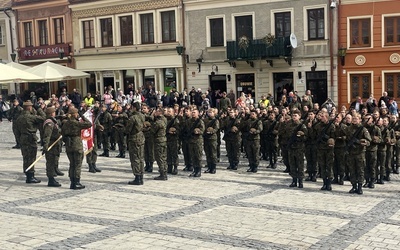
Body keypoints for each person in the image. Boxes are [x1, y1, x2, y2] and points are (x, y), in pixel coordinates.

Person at [62, 107, 92, 189]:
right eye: (76, 113)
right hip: (77, 145)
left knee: (72, 164)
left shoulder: (65, 123)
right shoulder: (76, 123)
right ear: (74, 114)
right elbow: (89, 124)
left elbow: (62, 134)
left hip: (69, 145)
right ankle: (76, 182)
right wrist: (82, 116)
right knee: (77, 165)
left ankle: (72, 182)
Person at [15, 100, 45, 184]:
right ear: (29, 107)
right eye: (31, 107)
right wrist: (39, 109)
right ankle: (30, 176)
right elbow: (43, 118)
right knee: (31, 157)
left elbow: (16, 131)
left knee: (25, 157)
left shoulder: (19, 118)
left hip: (22, 138)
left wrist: (19, 139)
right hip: (31, 138)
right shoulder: (31, 117)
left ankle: (27, 174)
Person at [345, 113, 372, 194]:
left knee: (360, 170)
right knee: (352, 170)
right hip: (351, 152)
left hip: (360, 153)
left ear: (360, 119)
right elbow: (346, 138)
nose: (354, 120)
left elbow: (369, 140)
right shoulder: (348, 128)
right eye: (353, 118)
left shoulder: (363, 129)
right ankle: (354, 186)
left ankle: (360, 186)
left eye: (356, 119)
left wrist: (363, 142)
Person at [314, 111, 335, 191]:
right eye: (321, 116)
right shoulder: (318, 126)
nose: (321, 117)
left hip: (328, 149)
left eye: (323, 116)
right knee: (322, 166)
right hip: (320, 148)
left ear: (327, 117)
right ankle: (324, 183)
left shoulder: (331, 126)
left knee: (329, 166)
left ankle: (329, 183)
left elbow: (333, 137)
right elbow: (314, 135)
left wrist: (327, 138)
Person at [42, 107, 63, 187]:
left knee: (54, 161)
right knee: (50, 162)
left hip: (55, 145)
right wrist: (45, 147)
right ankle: (51, 180)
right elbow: (47, 136)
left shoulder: (53, 121)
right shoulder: (49, 123)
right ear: (51, 113)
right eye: (54, 112)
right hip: (51, 145)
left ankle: (52, 178)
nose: (55, 113)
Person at [286, 109, 307, 188]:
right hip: (291, 148)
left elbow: (306, 137)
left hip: (299, 148)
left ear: (299, 116)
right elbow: (286, 134)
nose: (294, 117)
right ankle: (294, 180)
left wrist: (301, 135)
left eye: (295, 116)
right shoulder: (289, 124)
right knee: (292, 165)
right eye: (293, 116)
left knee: (300, 165)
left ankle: (300, 181)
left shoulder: (302, 126)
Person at [126, 102, 146, 185]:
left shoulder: (133, 118)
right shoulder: (142, 116)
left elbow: (128, 129)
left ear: (134, 108)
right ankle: (141, 176)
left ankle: (137, 177)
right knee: (141, 157)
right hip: (141, 137)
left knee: (135, 158)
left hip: (134, 138)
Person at [187, 108, 205, 177]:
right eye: (192, 112)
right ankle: (195, 170)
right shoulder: (189, 121)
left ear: (198, 113)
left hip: (197, 141)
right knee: (193, 156)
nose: (193, 113)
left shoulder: (200, 121)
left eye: (194, 112)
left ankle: (199, 170)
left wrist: (198, 131)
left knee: (198, 156)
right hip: (191, 140)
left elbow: (202, 130)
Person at [152, 107, 168, 180]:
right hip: (163, 140)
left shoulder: (158, 122)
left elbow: (152, 131)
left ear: (160, 113)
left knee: (159, 157)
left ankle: (162, 173)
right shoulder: (164, 119)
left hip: (158, 140)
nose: (155, 112)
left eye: (156, 111)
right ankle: (164, 171)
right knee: (163, 157)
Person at [203, 108, 220, 174]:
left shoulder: (216, 120)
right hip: (206, 138)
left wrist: (211, 131)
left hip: (212, 138)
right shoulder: (205, 120)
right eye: (209, 112)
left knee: (213, 154)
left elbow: (216, 128)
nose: (210, 113)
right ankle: (209, 167)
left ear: (214, 113)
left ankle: (213, 167)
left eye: (211, 112)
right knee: (207, 153)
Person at [165, 107, 180, 175]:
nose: (168, 113)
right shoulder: (165, 120)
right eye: (167, 111)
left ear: (173, 112)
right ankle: (169, 167)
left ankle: (175, 167)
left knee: (174, 154)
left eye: (170, 111)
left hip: (174, 139)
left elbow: (179, 130)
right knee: (168, 154)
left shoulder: (175, 120)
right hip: (167, 139)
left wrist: (174, 132)